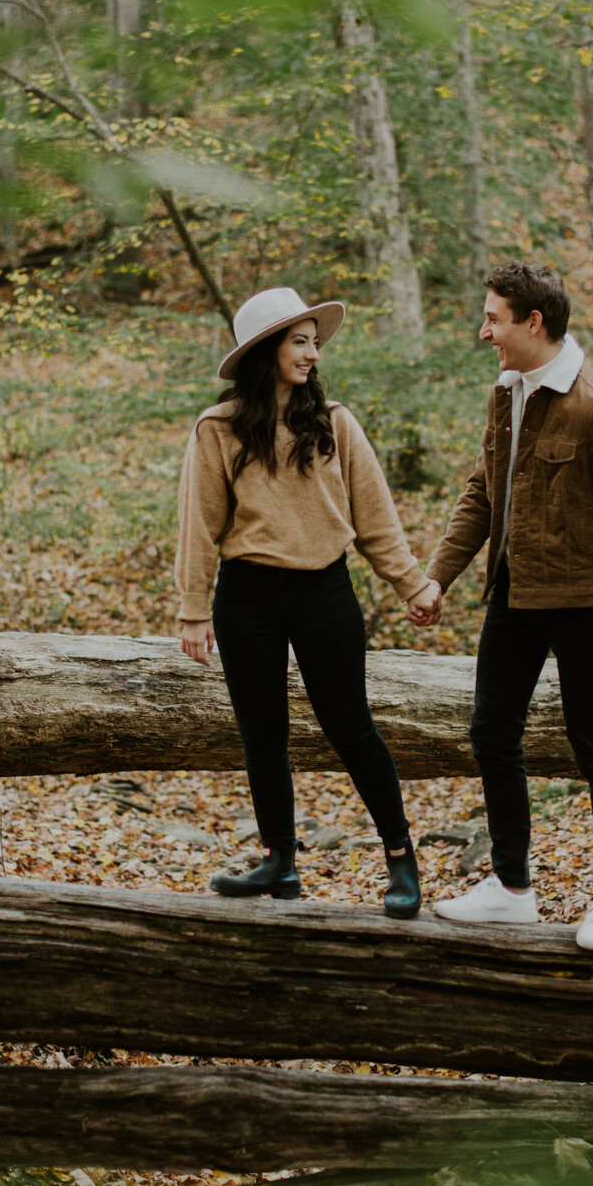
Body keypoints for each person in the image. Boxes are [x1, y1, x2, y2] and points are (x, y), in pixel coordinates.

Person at [409, 260, 593, 951]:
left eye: (494, 319)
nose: (485, 332)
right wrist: (439, 576)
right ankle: (510, 886)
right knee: (490, 731)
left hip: (583, 601)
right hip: (513, 591)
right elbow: (482, 492)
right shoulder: (507, 394)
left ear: (534, 323)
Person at [176, 285, 440, 918]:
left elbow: (374, 517)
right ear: (268, 349)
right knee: (262, 736)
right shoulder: (217, 429)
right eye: (301, 342)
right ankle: (279, 862)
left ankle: (402, 860)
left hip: (324, 589)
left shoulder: (335, 422)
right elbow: (200, 522)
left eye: (315, 344)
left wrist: (411, 583)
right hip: (246, 597)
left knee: (351, 729)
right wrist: (192, 607)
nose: (313, 354)